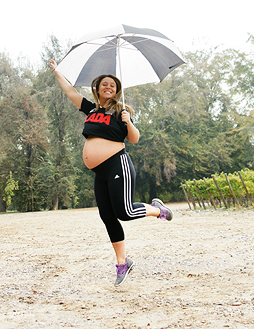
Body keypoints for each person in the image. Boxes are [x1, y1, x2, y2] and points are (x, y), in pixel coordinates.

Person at [49, 59, 172, 287]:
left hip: (118, 164)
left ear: (116, 91)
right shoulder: (91, 109)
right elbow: (70, 91)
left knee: (124, 212)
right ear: (98, 88)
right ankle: (122, 263)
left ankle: (158, 210)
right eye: (104, 84)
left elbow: (134, 139)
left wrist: (128, 123)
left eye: (112, 86)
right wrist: (57, 72)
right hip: (100, 172)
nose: (108, 87)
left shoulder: (121, 110)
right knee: (107, 216)